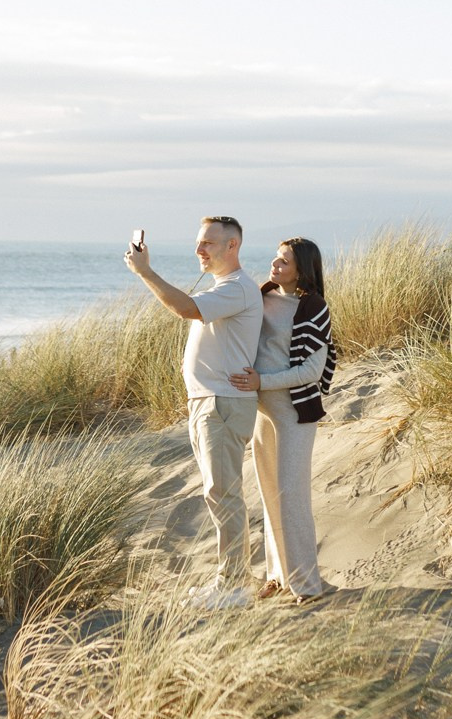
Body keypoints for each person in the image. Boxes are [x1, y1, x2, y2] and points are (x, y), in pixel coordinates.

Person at [126, 216, 265, 608]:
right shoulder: (226, 288)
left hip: (221, 403)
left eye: (208, 243)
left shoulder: (236, 288)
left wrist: (145, 272)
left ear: (232, 246)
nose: (199, 250)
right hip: (209, 402)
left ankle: (235, 586)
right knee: (218, 494)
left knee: (223, 494)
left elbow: (185, 308)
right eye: (198, 243)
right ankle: (230, 580)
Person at [229, 236, 336, 600]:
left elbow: (312, 369)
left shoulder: (312, 306)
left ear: (301, 269)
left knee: (292, 498)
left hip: (294, 413)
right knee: (270, 496)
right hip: (261, 412)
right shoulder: (261, 297)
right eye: (276, 258)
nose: (275, 265)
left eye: (284, 261)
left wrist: (264, 381)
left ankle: (307, 586)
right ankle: (278, 576)